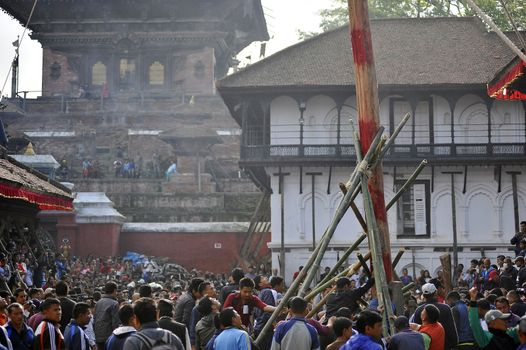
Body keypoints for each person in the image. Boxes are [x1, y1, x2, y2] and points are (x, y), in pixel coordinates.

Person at [410, 283, 458, 350]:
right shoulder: (445, 308)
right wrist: (454, 345)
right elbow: (451, 330)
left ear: (423, 295)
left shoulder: (419, 310)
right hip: (445, 346)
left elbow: (415, 331)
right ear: (435, 293)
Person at [94, 281, 120, 349]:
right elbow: (115, 323)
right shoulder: (114, 303)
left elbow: (95, 319)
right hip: (109, 338)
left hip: (98, 336)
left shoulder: (98, 302)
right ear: (114, 290)